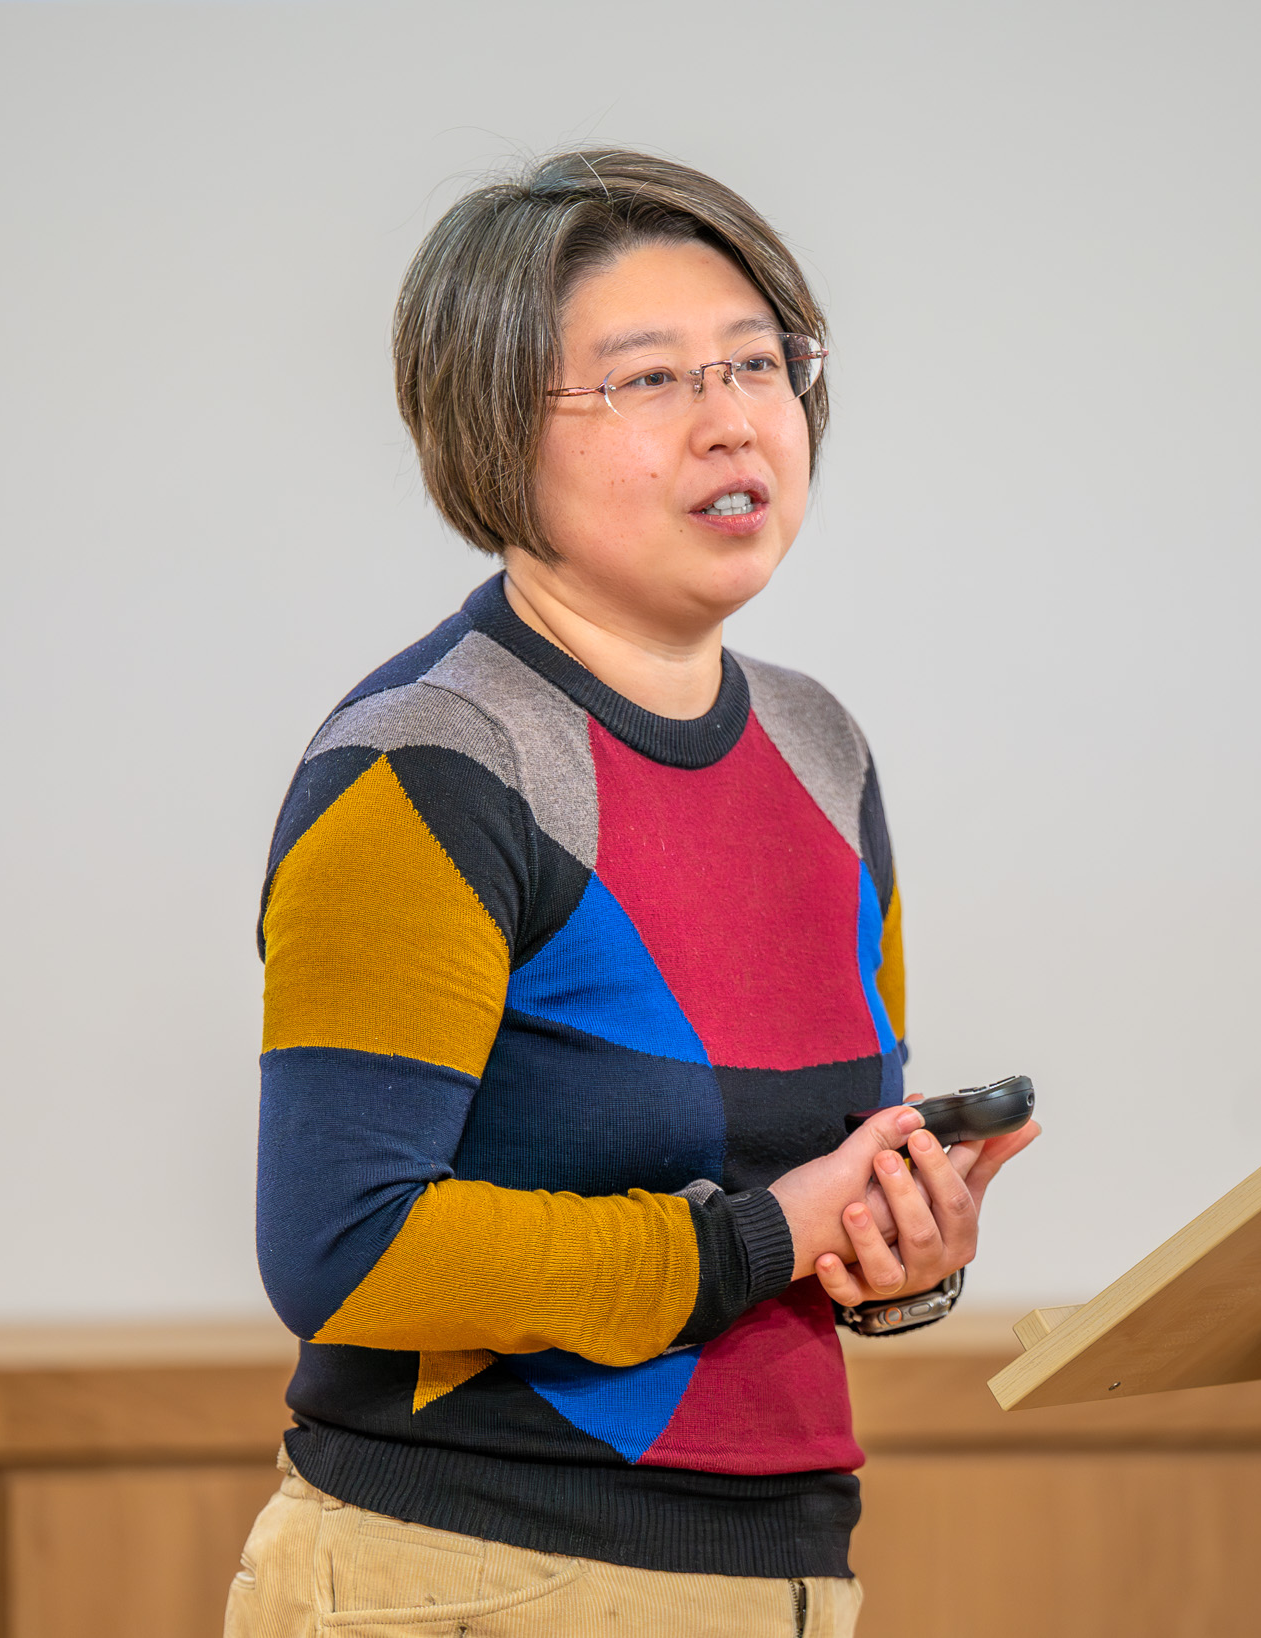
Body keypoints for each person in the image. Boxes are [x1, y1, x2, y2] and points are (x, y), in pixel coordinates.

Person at [227, 149, 1040, 1638]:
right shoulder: (431, 759)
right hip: (473, 1571)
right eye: (649, 380)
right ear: (492, 435)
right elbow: (340, 1242)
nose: (733, 418)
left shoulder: (820, 744)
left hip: (780, 1571)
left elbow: (799, 1190)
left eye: (757, 362)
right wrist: (757, 1241)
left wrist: (897, 1252)